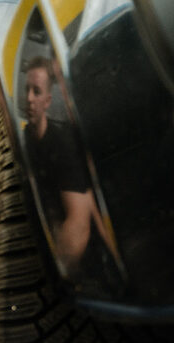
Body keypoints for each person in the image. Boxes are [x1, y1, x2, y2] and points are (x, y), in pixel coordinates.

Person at [23, 56, 109, 272]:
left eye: (37, 91)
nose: (29, 99)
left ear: (48, 101)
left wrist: (57, 273)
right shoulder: (22, 139)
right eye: (26, 90)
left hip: (85, 264)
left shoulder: (63, 144)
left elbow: (79, 224)